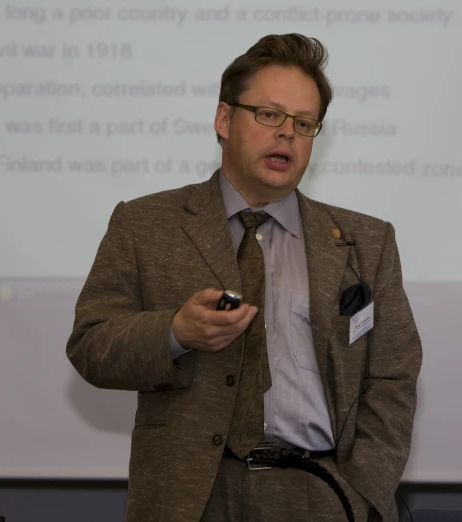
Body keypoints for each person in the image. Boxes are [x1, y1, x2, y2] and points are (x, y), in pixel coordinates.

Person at [66, 33, 422, 522]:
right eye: (269, 115)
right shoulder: (145, 223)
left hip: (323, 494)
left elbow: (393, 376)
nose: (287, 134)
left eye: (304, 123)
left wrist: (363, 492)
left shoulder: (367, 241)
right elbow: (90, 347)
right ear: (224, 118)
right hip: (190, 498)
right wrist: (174, 333)